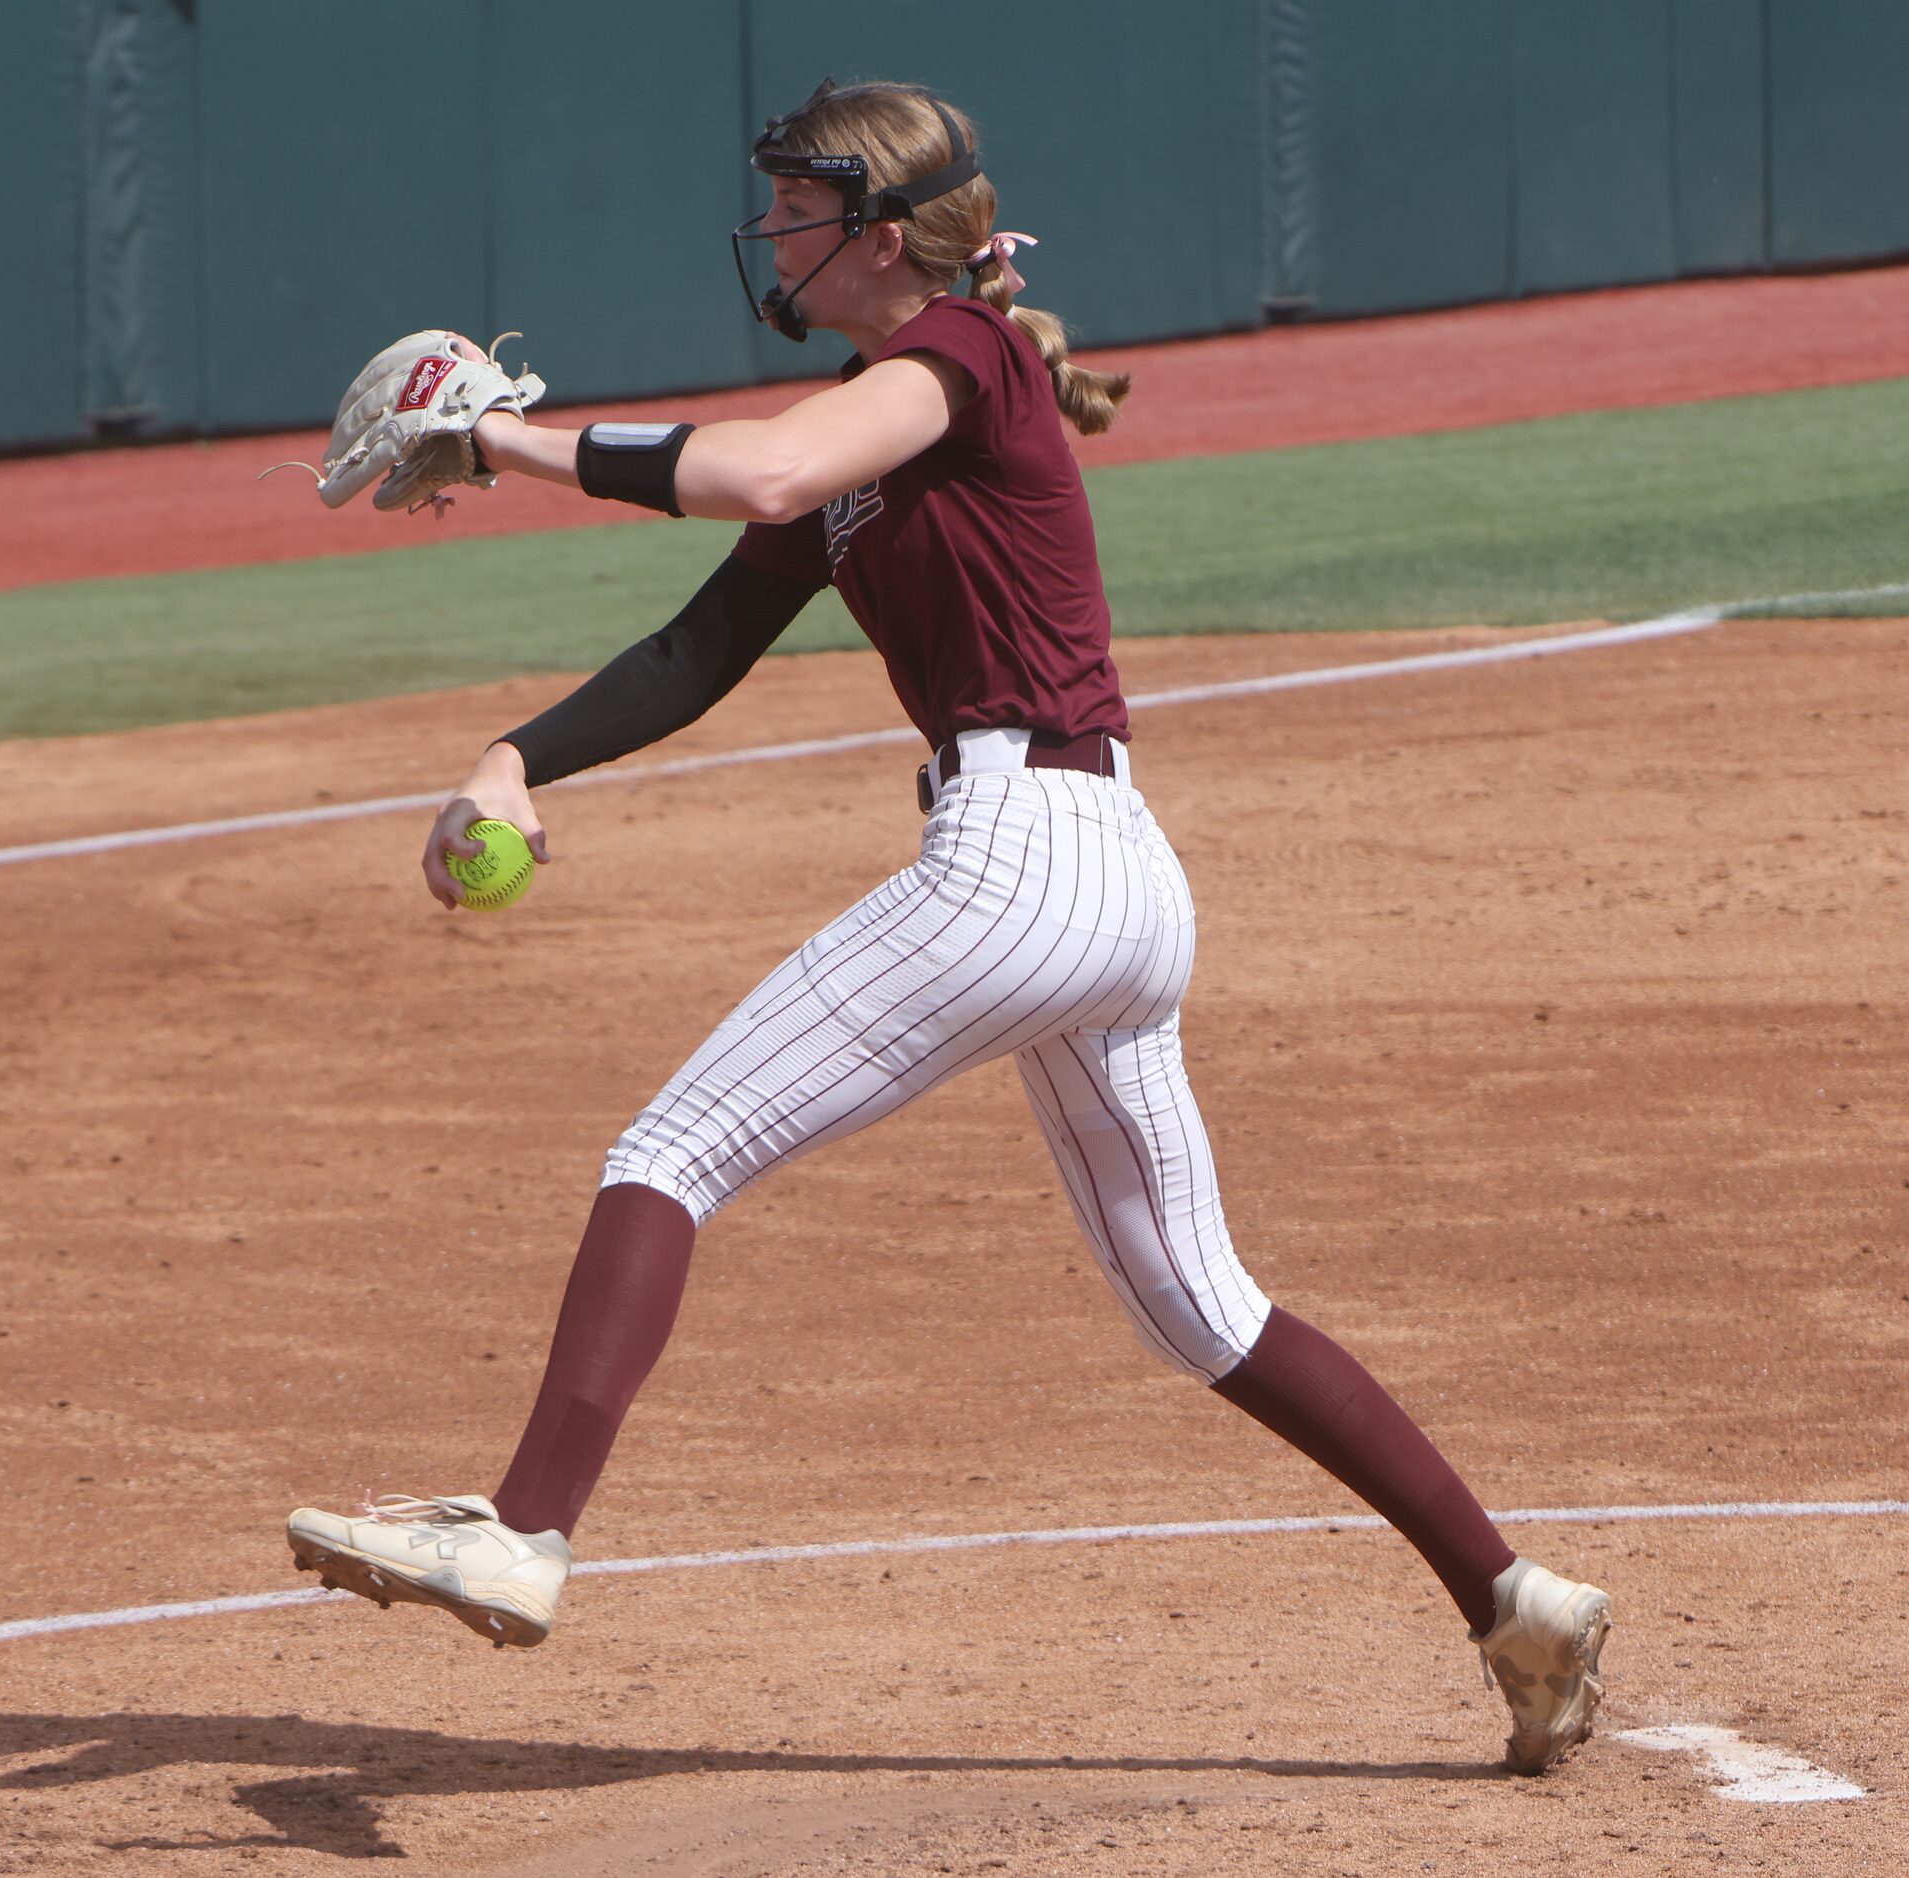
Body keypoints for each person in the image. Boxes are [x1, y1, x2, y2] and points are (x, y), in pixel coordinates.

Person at [286, 77, 1611, 1774]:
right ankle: (1516, 1601)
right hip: (1106, 873)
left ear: (876, 226)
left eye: (790, 204)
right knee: (1198, 1305)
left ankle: (525, 1529)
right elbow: (698, 649)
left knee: (672, 1145)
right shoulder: (870, 431)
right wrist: (515, 758)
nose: (767, 230)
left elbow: (754, 471)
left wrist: (503, 434)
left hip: (1030, 857)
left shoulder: (964, 359)